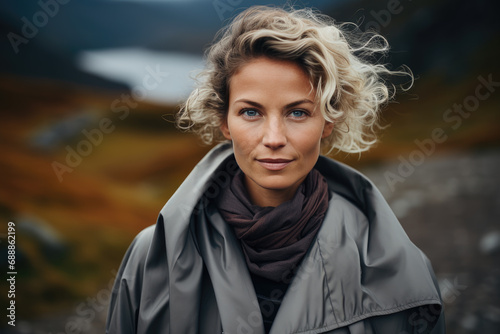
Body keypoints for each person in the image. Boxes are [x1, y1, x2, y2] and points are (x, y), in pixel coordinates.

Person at [106, 5, 445, 334]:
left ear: (328, 121)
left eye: (297, 113)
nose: (273, 138)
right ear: (224, 122)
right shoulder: (150, 257)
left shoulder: (402, 271)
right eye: (250, 112)